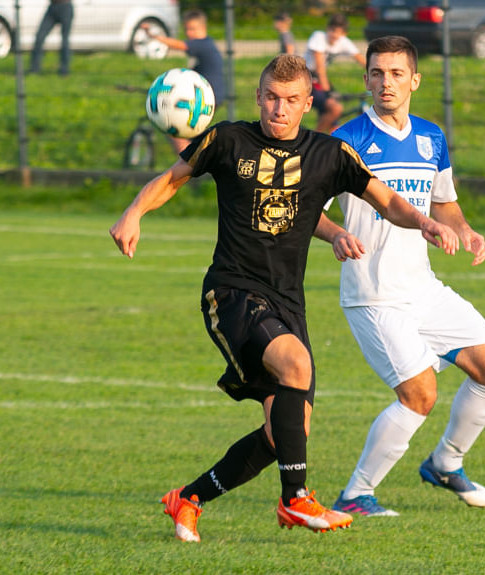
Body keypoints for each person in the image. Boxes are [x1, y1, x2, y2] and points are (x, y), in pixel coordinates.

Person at [109, 54, 459, 543]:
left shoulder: (328, 154)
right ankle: (295, 500)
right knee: (295, 365)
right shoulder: (229, 139)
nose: (280, 108)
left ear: (307, 104)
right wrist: (133, 213)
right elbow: (172, 178)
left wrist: (422, 221)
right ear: (259, 97)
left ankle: (187, 499)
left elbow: (387, 200)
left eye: (291, 100)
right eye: (272, 97)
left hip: (287, 302)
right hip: (231, 292)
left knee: (285, 433)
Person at [314, 36, 485, 517]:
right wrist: (336, 233)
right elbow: (309, 212)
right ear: (365, 80)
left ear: (414, 81)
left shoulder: (431, 137)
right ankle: (357, 495)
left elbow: (442, 202)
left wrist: (465, 230)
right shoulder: (345, 140)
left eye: (397, 74)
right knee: (420, 393)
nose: (387, 83)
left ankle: (446, 463)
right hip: (373, 294)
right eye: (378, 74)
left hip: (421, 288)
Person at [143, 8, 225, 153]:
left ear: (203, 28)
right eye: (186, 29)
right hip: (212, 93)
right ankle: (194, 158)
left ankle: (188, 163)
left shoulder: (201, 44)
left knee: (173, 126)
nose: (189, 33)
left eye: (193, 29)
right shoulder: (207, 44)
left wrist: (154, 36)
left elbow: (178, 45)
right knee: (192, 132)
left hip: (208, 95)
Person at [304, 14, 365, 133]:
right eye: (332, 30)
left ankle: (325, 138)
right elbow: (319, 67)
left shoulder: (343, 42)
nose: (334, 35)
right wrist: (327, 92)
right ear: (327, 29)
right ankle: (314, 141)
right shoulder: (319, 37)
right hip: (307, 78)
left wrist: (380, 71)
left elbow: (362, 60)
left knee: (333, 118)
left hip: (319, 79)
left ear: (344, 34)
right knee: (335, 108)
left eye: (338, 32)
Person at [30, 0, 73, 76]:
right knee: (39, 37)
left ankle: (64, 70)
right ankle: (34, 68)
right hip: (52, 7)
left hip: (65, 6)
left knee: (65, 41)